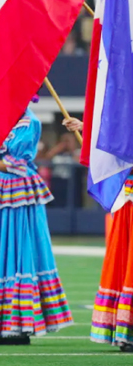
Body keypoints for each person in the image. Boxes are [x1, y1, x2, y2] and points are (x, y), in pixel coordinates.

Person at [0, 102, 72, 345]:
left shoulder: (31, 123)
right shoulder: (1, 120)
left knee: (19, 252)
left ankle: (18, 324)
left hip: (18, 191)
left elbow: (17, 163)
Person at [63, 118, 133, 353]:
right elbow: (119, 135)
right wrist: (86, 129)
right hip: (127, 199)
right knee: (124, 262)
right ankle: (125, 329)